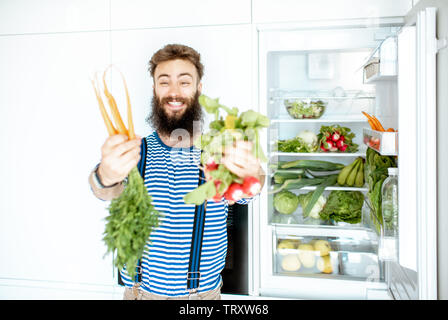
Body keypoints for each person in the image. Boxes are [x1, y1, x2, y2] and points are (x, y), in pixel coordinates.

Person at [88, 44, 265, 300]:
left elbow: (251, 190)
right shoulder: (134, 150)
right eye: (164, 82)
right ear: (154, 89)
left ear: (198, 89)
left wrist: (253, 172)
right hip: (139, 295)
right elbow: (103, 190)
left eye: (184, 82)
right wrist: (105, 174)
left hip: (201, 298)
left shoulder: (219, 151)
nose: (174, 92)